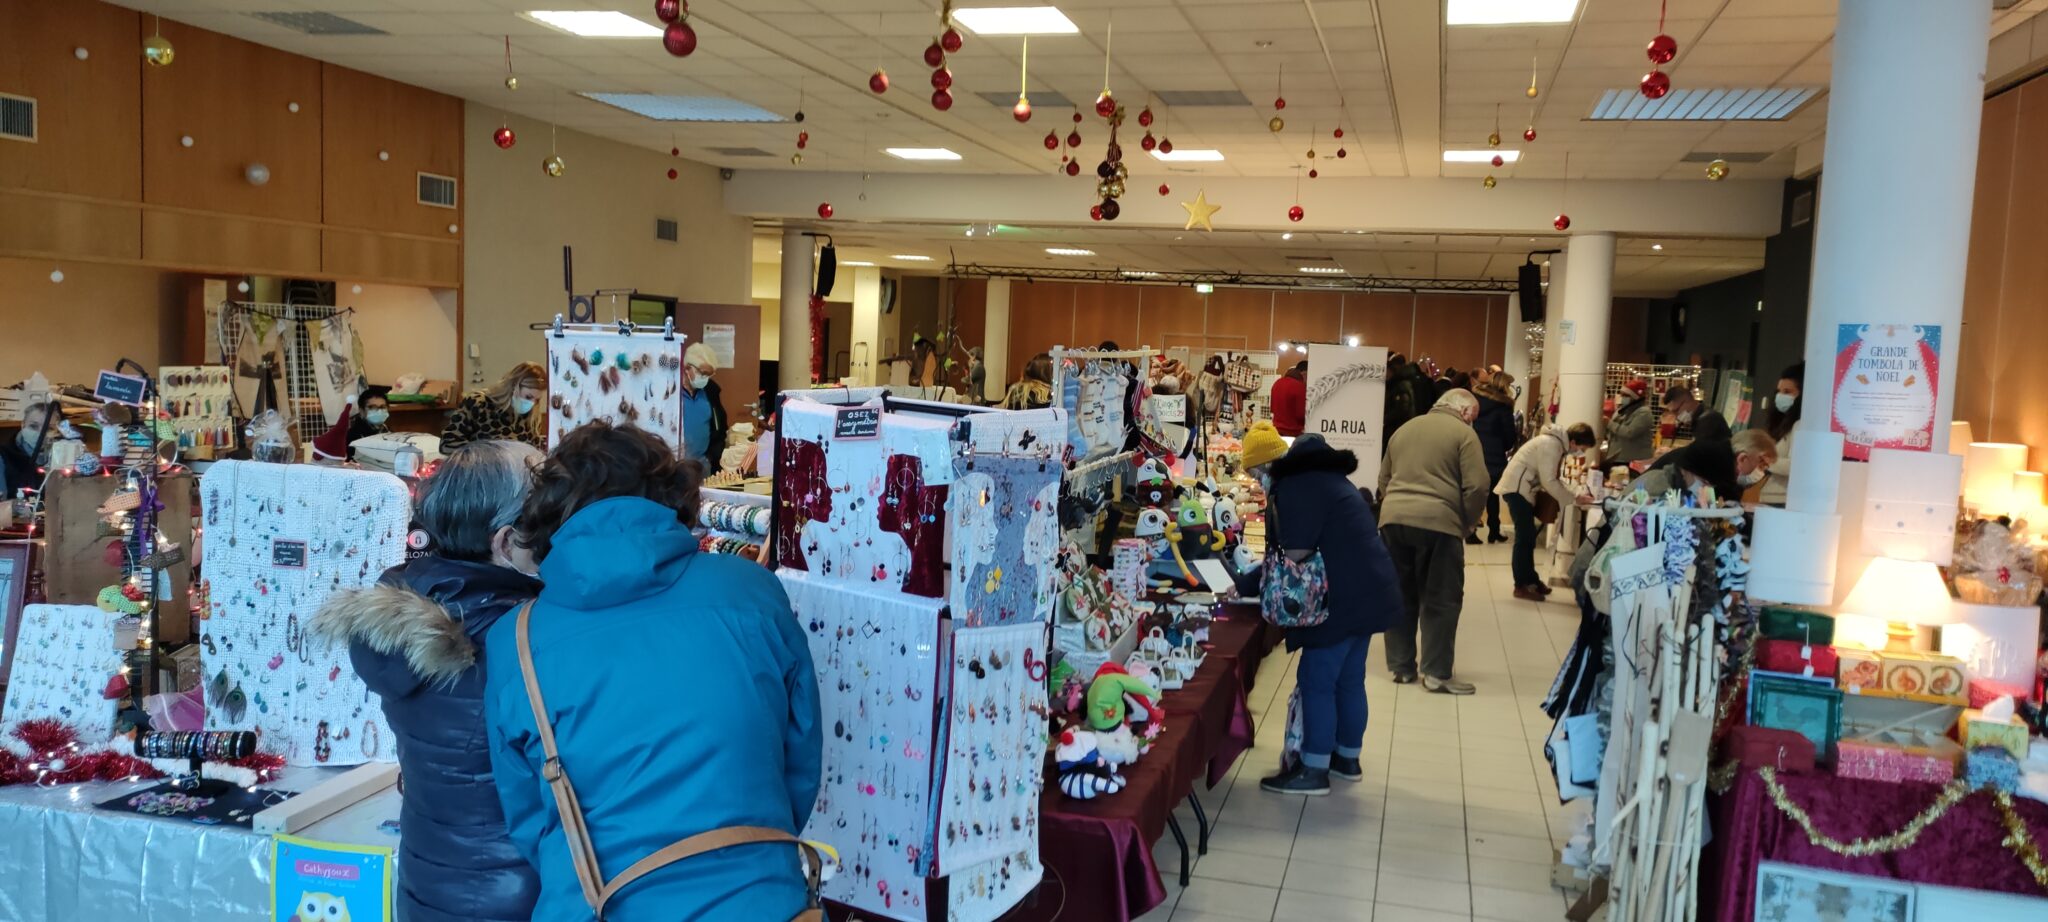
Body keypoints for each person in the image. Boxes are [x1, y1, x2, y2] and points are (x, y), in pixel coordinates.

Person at [483, 422, 820, 921]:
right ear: (674, 493)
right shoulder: (751, 590)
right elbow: (800, 755)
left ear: (549, 511)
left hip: (599, 904)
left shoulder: (516, 639)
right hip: (756, 896)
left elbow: (529, 816)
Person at [308, 441, 545, 922]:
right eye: (546, 521)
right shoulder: (513, 637)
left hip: (430, 883)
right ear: (504, 543)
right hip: (513, 892)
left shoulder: (409, 612)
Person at [1237, 422, 1401, 795]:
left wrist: (1247, 583)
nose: (1257, 482)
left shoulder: (1296, 487)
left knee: (1317, 680)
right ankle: (1346, 758)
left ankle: (1313, 769)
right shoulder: (1331, 480)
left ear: (1268, 466)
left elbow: (1295, 557)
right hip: (1369, 591)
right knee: (1349, 679)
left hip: (1337, 600)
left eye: (1255, 474)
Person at [1376, 390, 1490, 694]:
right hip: (1440, 523)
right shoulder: (1464, 435)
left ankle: (1401, 667)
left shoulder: (1404, 430)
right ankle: (1436, 673)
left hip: (1393, 522)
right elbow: (1478, 485)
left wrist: (1396, 504)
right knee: (1441, 598)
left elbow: (1384, 479)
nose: (1473, 423)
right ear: (1465, 412)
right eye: (1474, 417)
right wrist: (1467, 522)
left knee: (1399, 595)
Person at [1497, 422, 1598, 601]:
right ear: (1573, 442)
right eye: (1581, 449)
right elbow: (1549, 481)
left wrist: (1574, 494)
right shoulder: (1551, 445)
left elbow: (1552, 478)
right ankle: (1521, 586)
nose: (1580, 453)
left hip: (1522, 488)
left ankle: (1531, 580)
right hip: (1516, 489)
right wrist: (1575, 498)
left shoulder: (1555, 444)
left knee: (1528, 538)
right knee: (1524, 539)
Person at [442, 362, 545, 451]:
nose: (531, 403)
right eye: (528, 397)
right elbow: (449, 443)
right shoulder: (478, 404)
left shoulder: (531, 417)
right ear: (514, 387)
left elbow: (535, 451)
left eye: (537, 400)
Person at [1471, 373, 1519, 545]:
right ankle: (1494, 531)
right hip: (1495, 455)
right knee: (1493, 495)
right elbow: (1509, 435)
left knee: (1476, 495)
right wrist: (1504, 446)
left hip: (1475, 453)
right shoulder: (1503, 406)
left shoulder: (1476, 400)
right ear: (1504, 386)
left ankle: (1471, 531)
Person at [681, 341, 731, 473]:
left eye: (709, 375)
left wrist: (710, 457)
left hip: (703, 465)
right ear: (687, 368)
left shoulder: (711, 391)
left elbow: (720, 428)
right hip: (673, 464)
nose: (705, 378)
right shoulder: (670, 392)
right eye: (703, 373)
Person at [1760, 363, 1803, 506]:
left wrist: (1767, 460)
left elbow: (1795, 466)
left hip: (1783, 499)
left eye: (1787, 391)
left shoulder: (1800, 426)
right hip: (1772, 497)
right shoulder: (1784, 424)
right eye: (1779, 391)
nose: (1780, 396)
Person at [1, 400, 57, 496]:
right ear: (23, 425)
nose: (40, 434)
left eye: (48, 429)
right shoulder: (3, 457)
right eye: (33, 426)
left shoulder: (62, 458)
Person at [1605, 376, 1655, 470]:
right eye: (1621, 394)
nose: (1622, 397)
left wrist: (1609, 423)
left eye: (1626, 395)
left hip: (1634, 461)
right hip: (1617, 458)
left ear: (1635, 397)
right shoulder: (1621, 411)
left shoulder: (1644, 412)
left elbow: (1630, 432)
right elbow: (1612, 432)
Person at [1383, 353, 1429, 442]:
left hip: (1397, 428)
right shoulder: (1397, 383)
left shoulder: (1400, 385)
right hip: (1400, 427)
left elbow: (1402, 408)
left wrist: (1385, 419)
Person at [344, 386, 392, 460]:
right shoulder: (352, 436)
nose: (379, 411)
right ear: (361, 411)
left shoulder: (388, 431)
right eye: (372, 407)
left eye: (382, 407)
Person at [1270, 360, 1308, 437]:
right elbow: (1300, 414)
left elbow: (1272, 409)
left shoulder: (1277, 383)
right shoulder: (1300, 387)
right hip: (1294, 433)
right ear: (1304, 373)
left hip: (1276, 431)